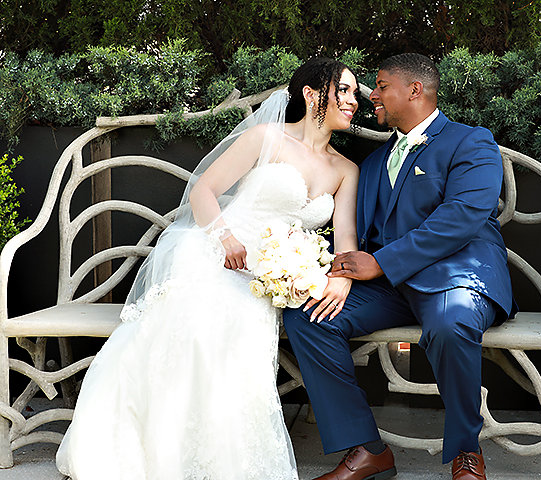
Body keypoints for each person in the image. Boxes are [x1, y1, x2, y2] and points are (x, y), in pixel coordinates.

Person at [55, 57, 360, 480]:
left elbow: (345, 239)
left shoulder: (347, 170)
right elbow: (205, 191)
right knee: (206, 321)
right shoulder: (265, 137)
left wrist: (339, 277)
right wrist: (224, 238)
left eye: (355, 92)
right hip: (214, 250)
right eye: (342, 90)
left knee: (243, 327)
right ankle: (159, 452)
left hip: (269, 276)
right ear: (311, 95)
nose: (353, 100)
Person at [283, 53, 516, 480]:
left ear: (414, 90)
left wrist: (381, 262)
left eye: (381, 84)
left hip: (457, 279)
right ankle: (366, 450)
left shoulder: (470, 141)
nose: (373, 94)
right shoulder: (371, 164)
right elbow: (352, 232)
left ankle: (467, 452)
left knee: (451, 322)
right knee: (308, 317)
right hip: (391, 289)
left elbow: (463, 215)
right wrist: (317, 269)